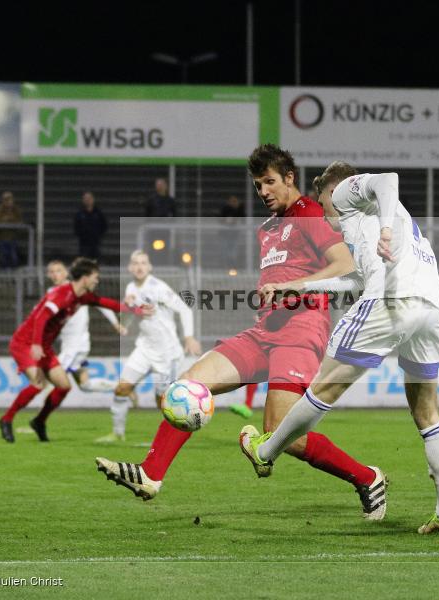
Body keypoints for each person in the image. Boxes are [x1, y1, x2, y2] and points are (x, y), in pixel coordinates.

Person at [96, 145, 383, 519]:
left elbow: (345, 265)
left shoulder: (311, 213)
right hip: (264, 332)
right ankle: (150, 474)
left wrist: (293, 286)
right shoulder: (268, 228)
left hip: (301, 331)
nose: (262, 191)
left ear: (289, 178)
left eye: (269, 182)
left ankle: (367, 478)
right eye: (257, 184)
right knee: (188, 384)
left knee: (283, 434)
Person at [239, 161, 439, 536]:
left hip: (391, 301)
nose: (325, 214)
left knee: (322, 388)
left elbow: (388, 180)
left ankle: (266, 451)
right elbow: (353, 281)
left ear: (331, 191)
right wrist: (300, 287)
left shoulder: (347, 194)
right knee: (427, 413)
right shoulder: (366, 226)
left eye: (323, 205)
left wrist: (387, 230)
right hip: (429, 306)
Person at [0, 257, 153, 443]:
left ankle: (39, 421)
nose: (97, 280)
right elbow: (40, 318)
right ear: (86, 278)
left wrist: (136, 310)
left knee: (64, 386)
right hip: (25, 343)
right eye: (95, 277)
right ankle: (6, 419)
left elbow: (106, 303)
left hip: (43, 346)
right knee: (38, 384)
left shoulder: (82, 296)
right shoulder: (62, 294)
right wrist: (36, 344)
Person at [95, 250, 201, 443]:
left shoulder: (158, 287)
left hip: (167, 354)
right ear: (129, 267)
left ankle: (167, 441)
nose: (139, 266)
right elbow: (130, 312)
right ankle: (118, 434)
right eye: (135, 263)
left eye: (143, 263)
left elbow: (184, 309)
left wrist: (189, 337)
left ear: (149, 267)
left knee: (162, 401)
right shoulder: (130, 287)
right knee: (122, 389)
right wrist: (124, 324)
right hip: (144, 349)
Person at [44, 260, 126, 395]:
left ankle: (40, 414)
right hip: (67, 343)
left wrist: (115, 323)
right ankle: (121, 388)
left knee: (52, 375)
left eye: (58, 270)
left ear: (66, 273)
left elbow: (100, 304)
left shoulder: (77, 290)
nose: (54, 274)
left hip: (77, 344)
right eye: (51, 272)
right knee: (85, 385)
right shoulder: (51, 292)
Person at [73, 191, 107, 260]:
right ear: (83, 200)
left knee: (95, 262)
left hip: (95, 243)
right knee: (84, 262)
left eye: (89, 198)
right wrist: (81, 235)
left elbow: (104, 225)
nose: (87, 200)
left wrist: (98, 235)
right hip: (83, 244)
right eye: (85, 198)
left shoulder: (98, 213)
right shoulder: (80, 214)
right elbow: (76, 227)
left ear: (93, 200)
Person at [0, 191, 22, 270]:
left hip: (12, 238)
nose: (8, 201)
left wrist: (8, 220)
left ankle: (13, 278)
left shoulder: (16, 209)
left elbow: (19, 222)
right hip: (1, 238)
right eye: (6, 199)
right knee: (2, 259)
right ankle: (3, 278)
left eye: (9, 199)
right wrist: (8, 220)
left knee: (14, 259)